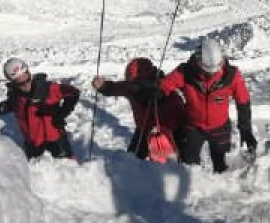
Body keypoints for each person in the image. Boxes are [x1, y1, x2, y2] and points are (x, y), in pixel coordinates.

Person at [158, 37, 257, 172]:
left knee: (221, 165)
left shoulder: (232, 76)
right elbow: (167, 84)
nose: (212, 73)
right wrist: (158, 90)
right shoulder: (185, 72)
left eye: (216, 69)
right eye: (206, 69)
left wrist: (245, 129)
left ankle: (220, 180)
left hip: (220, 127)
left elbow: (243, 102)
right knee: (188, 164)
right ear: (197, 60)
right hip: (193, 126)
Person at [92, 57, 187, 160]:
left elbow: (179, 109)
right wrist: (103, 86)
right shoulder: (131, 87)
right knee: (132, 158)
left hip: (173, 129)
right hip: (145, 129)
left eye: (136, 83)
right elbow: (116, 88)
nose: (134, 86)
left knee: (180, 159)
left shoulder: (164, 85)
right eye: (132, 83)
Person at [0, 58, 79, 160]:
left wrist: (61, 113)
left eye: (27, 80)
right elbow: (13, 105)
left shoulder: (48, 88)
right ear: (12, 82)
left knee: (69, 168)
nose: (26, 85)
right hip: (32, 144)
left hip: (56, 141)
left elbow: (73, 93)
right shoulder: (15, 95)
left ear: (29, 73)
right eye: (21, 83)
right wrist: (2, 107)